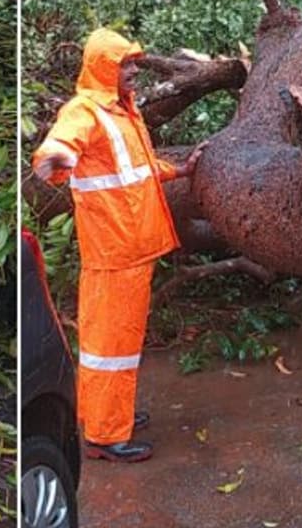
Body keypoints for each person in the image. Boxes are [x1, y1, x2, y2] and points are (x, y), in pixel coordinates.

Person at [32, 28, 204, 462]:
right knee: (111, 347)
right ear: (103, 67)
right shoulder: (85, 111)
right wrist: (54, 162)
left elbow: (136, 169)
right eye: (125, 64)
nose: (133, 71)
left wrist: (179, 170)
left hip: (131, 248)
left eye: (134, 64)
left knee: (115, 344)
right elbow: (55, 153)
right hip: (114, 252)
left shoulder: (123, 112)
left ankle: (106, 414)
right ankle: (106, 435)